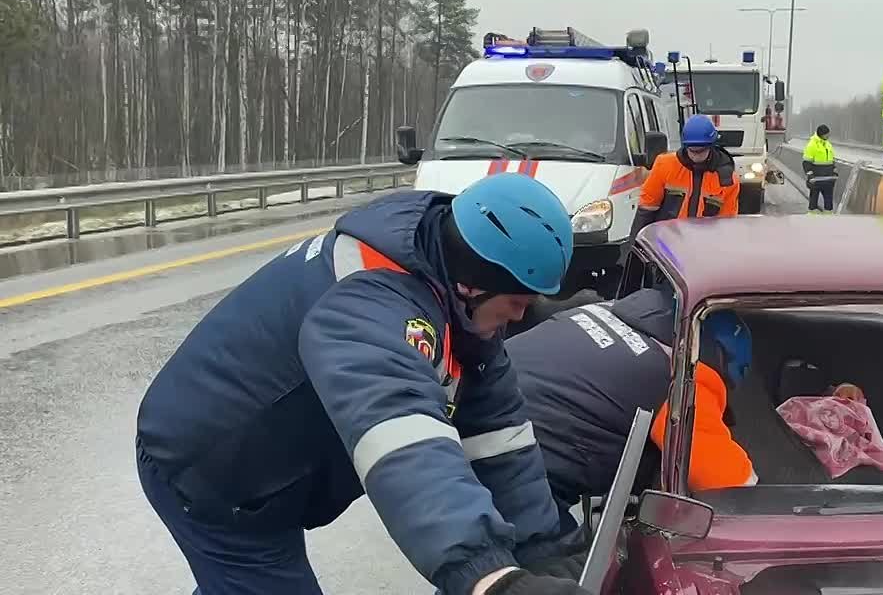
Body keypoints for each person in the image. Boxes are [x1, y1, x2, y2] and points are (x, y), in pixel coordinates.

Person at [135, 173, 594, 595]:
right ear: (472, 287)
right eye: (517, 301)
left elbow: (498, 439)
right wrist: (487, 576)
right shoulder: (373, 306)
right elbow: (407, 441)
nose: (521, 316)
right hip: (212, 470)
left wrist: (548, 546)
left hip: (265, 462)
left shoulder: (449, 284)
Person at [506, 287, 756, 526]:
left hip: (485, 403)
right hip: (517, 465)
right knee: (562, 560)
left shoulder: (606, 310)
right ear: (722, 362)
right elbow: (731, 486)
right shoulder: (681, 374)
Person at [632, 114, 740, 233]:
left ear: (711, 146)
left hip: (706, 241)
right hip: (667, 240)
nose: (695, 155)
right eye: (691, 150)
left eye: (700, 151)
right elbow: (647, 208)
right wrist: (635, 245)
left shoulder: (727, 180)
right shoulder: (665, 165)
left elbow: (726, 224)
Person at [802, 124, 837, 214]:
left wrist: (834, 171)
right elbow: (806, 162)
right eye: (827, 134)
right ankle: (812, 217)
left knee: (829, 202)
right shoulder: (812, 145)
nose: (828, 136)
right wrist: (810, 175)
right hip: (816, 179)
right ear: (821, 134)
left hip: (828, 179)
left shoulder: (828, 145)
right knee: (813, 199)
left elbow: (832, 160)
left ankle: (828, 218)